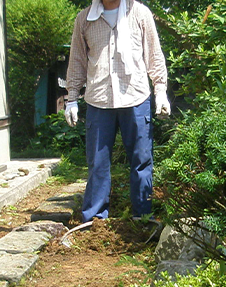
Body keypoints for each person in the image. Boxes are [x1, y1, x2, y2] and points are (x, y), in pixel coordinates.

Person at [64, 0, 169, 223]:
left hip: (135, 97)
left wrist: (160, 90)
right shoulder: (84, 19)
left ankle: (143, 217)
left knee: (142, 161)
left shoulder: (140, 13)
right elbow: (77, 61)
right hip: (99, 101)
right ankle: (95, 220)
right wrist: (71, 98)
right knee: (97, 163)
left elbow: (154, 55)